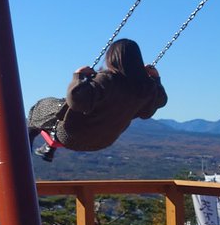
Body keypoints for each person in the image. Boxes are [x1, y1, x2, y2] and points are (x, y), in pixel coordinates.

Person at [26, 38, 168, 162]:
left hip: (71, 136)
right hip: (103, 141)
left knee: (41, 107)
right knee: (64, 109)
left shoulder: (107, 80)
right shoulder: (145, 87)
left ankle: (27, 144)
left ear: (112, 58)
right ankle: (49, 147)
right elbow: (160, 102)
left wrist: (78, 76)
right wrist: (156, 79)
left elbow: (76, 102)